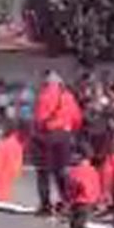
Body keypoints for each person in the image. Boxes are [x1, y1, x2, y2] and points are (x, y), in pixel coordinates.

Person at [32, 70, 83, 216]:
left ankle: (45, 205)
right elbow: (77, 118)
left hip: (46, 136)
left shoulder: (43, 96)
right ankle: (67, 202)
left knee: (43, 172)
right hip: (64, 136)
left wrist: (37, 132)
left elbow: (39, 119)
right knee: (62, 171)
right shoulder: (68, 96)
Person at [66, 140, 103, 228]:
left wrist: (67, 202)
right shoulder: (93, 171)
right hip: (89, 203)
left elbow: (72, 189)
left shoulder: (75, 172)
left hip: (79, 202)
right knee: (83, 227)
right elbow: (97, 187)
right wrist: (98, 200)